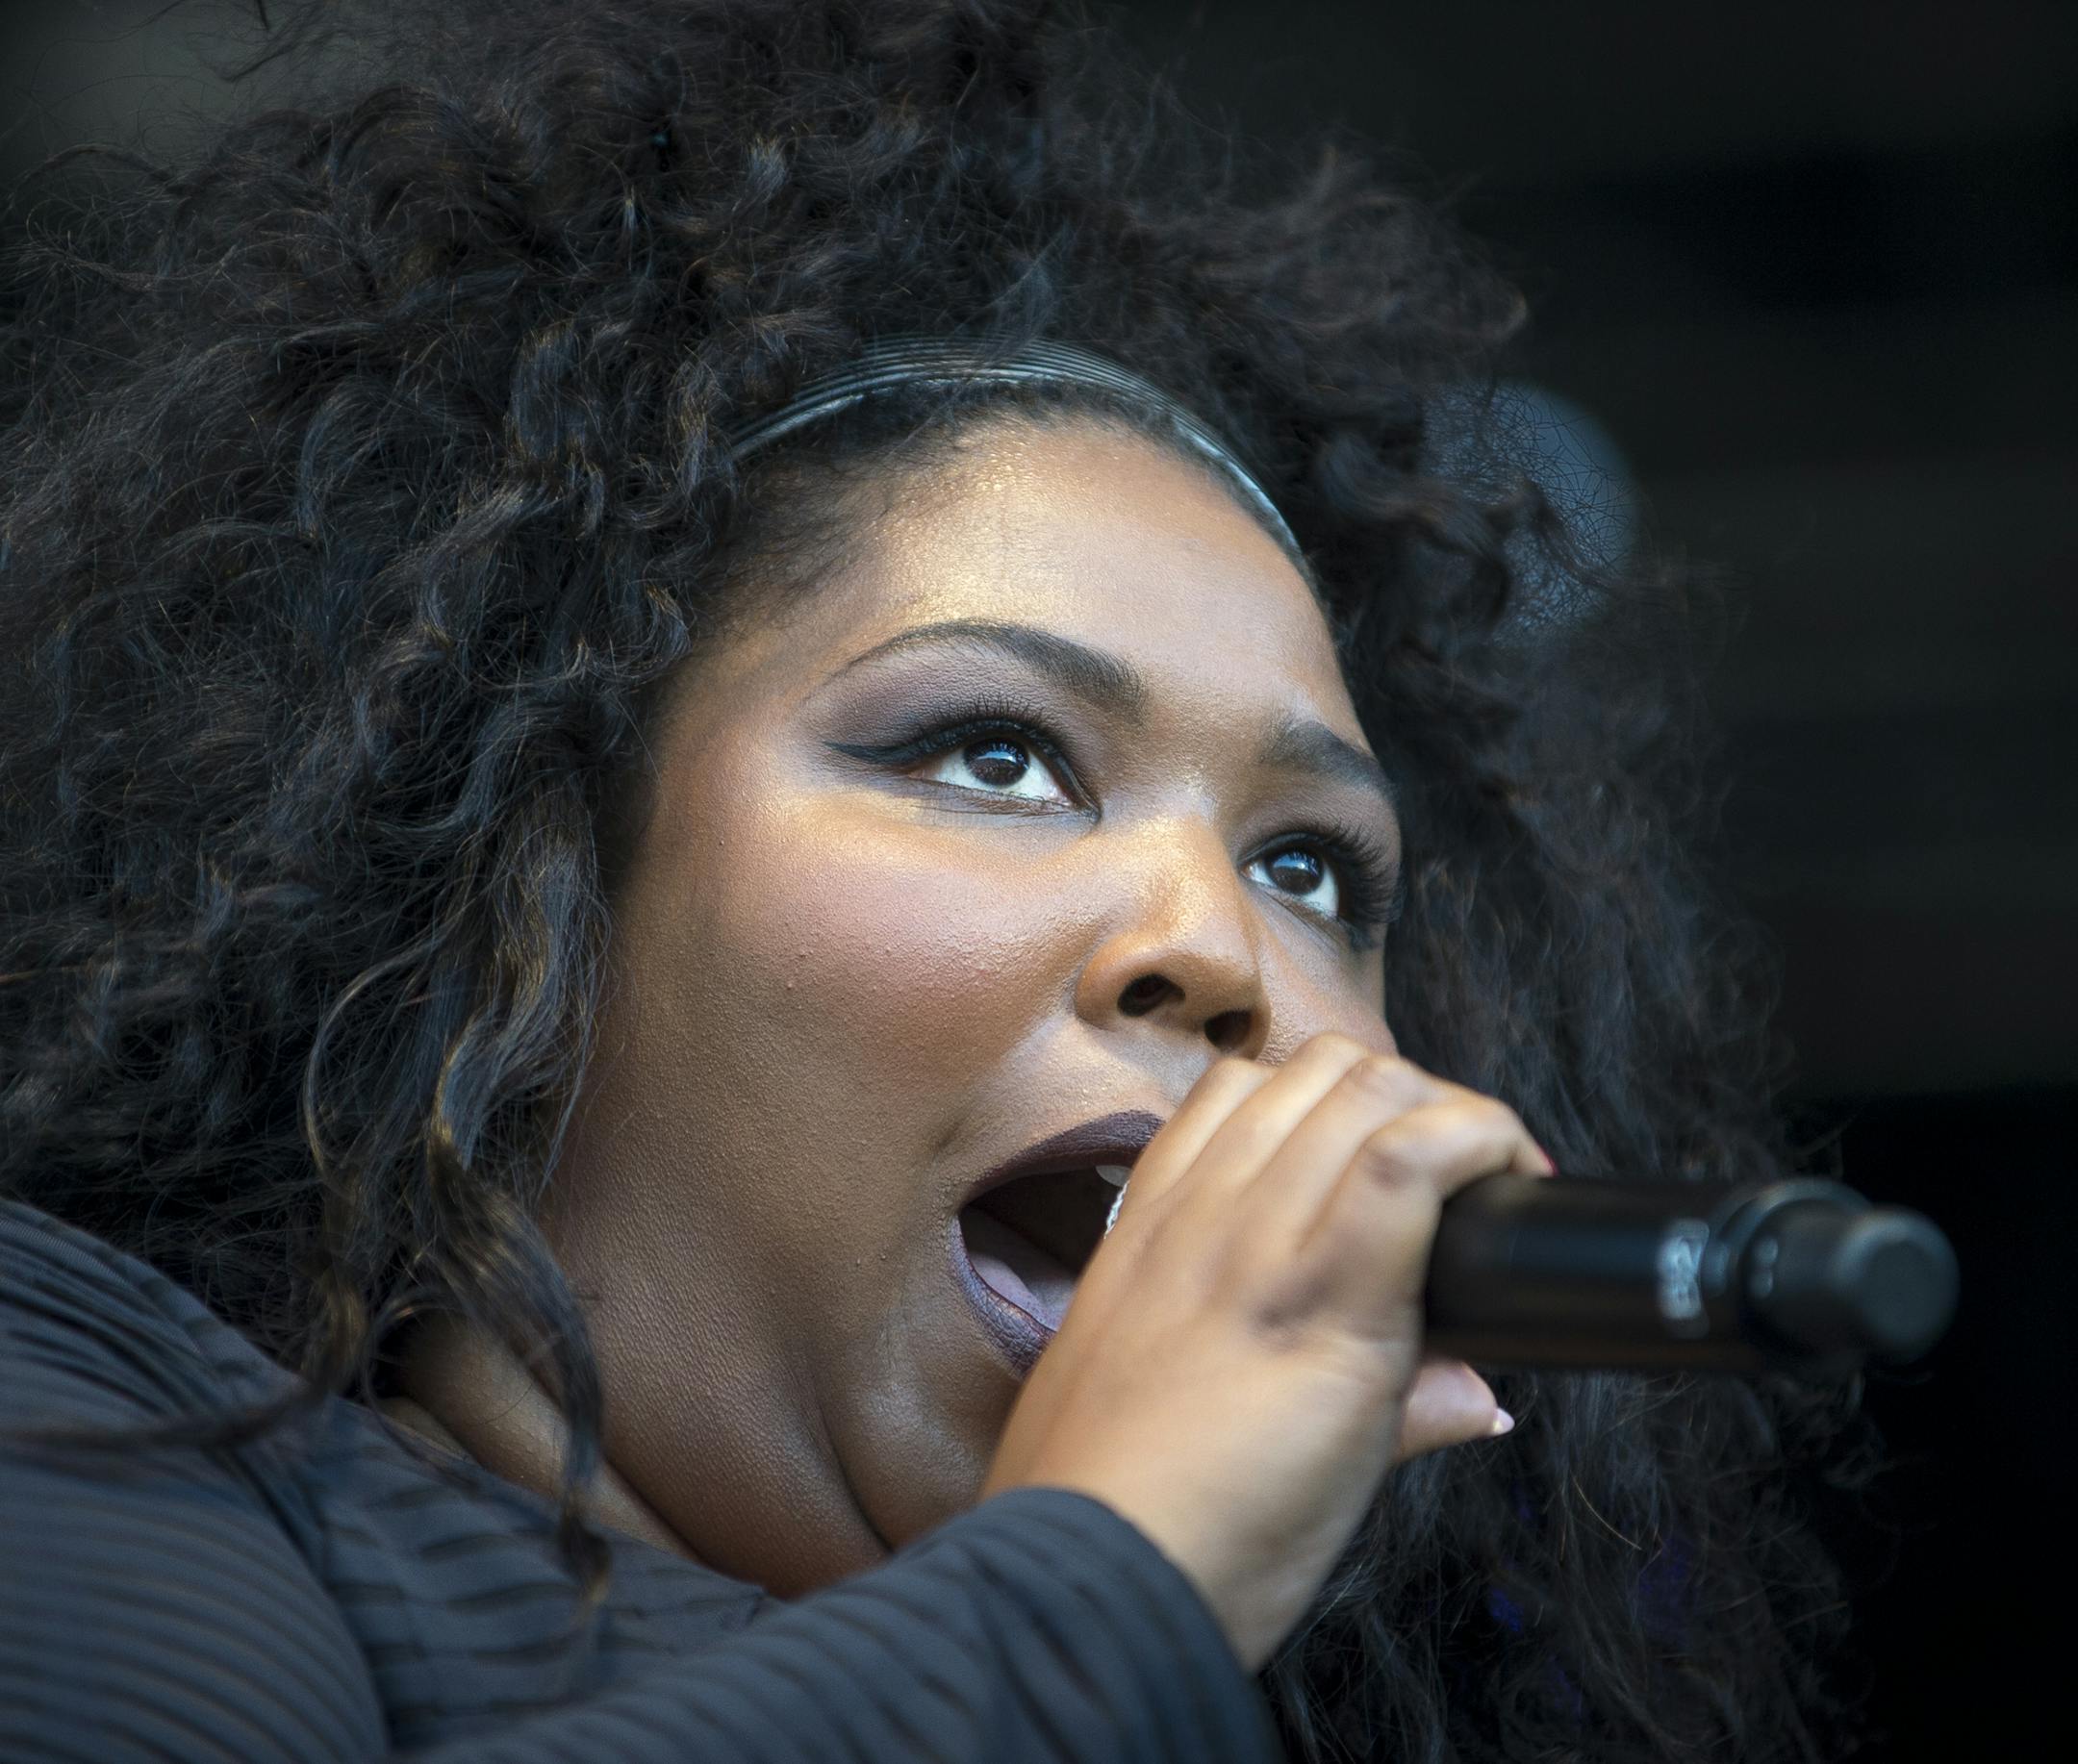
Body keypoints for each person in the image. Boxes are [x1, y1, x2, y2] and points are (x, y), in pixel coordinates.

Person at [0, 2, 1868, 1758]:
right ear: (510, 882)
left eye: (1310, 864)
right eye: (997, 753)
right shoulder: (81, 1418)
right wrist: (1120, 1571)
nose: (1218, 945)